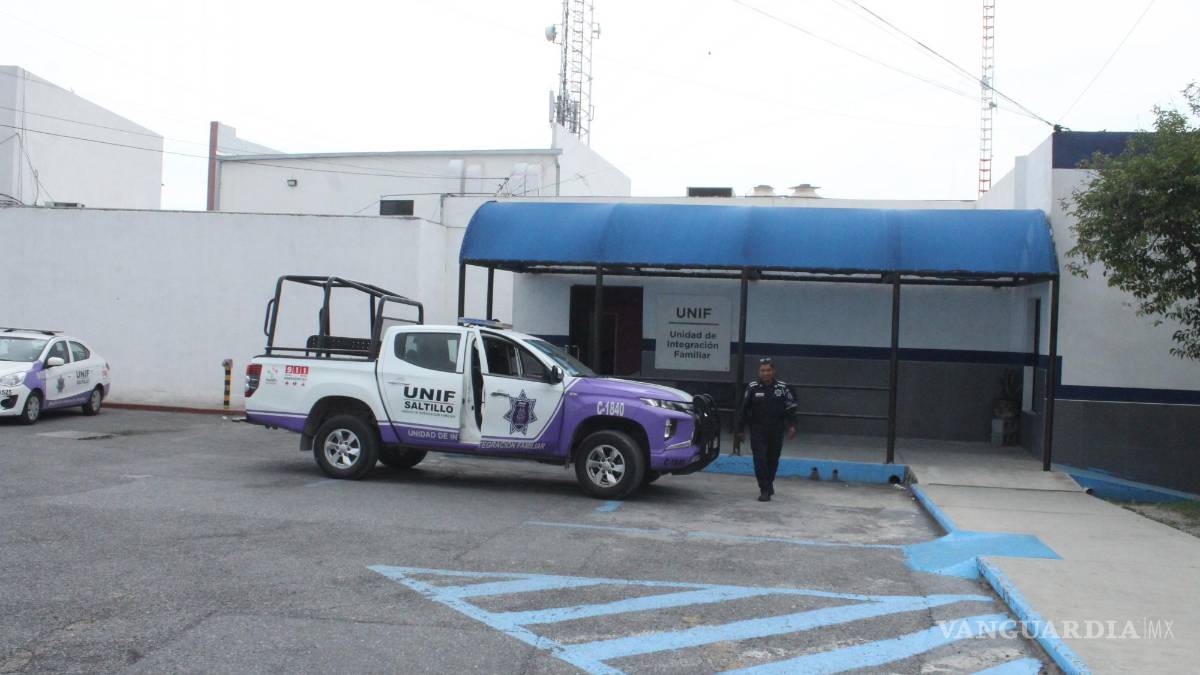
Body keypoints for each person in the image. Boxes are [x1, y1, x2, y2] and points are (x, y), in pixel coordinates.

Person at [735, 358, 798, 502]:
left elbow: (791, 408)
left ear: (773, 371)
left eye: (768, 370)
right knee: (760, 460)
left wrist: (792, 425)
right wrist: (740, 429)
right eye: (763, 370)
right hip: (758, 430)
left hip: (776, 430)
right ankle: (764, 489)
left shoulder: (783, 388)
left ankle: (769, 483)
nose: (765, 373)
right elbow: (743, 409)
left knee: (772, 460)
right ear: (759, 372)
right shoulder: (752, 387)